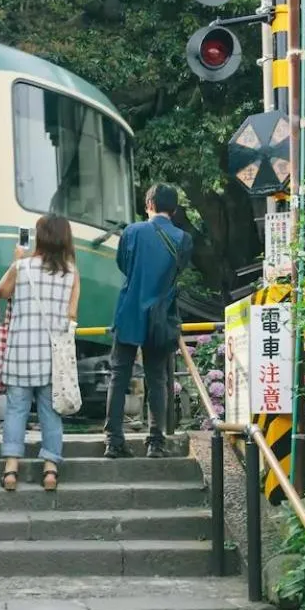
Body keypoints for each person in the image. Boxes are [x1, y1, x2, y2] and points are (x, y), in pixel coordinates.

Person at [105, 183, 193, 459]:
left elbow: (123, 264)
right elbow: (178, 271)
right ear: (175, 209)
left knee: (119, 375)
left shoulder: (131, 232)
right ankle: (155, 441)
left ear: (148, 205)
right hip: (161, 315)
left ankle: (114, 441)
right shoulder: (183, 238)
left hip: (130, 311)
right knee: (157, 378)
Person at [0, 215, 80, 491]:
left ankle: (10, 470)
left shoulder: (22, 267)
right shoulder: (71, 273)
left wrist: (16, 260)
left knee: (16, 410)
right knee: (51, 413)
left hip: (20, 353)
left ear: (40, 238)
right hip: (52, 359)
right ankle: (50, 469)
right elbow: (71, 316)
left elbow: (2, 292)